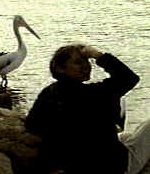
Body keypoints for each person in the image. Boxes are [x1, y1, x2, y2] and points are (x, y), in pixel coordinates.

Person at [25, 44, 150, 174]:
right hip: (111, 166)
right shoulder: (94, 94)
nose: (86, 66)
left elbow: (32, 124)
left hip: (70, 164)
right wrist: (98, 55)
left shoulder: (49, 92)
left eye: (87, 61)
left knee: (125, 136)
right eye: (78, 63)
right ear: (60, 68)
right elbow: (128, 78)